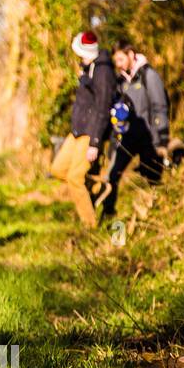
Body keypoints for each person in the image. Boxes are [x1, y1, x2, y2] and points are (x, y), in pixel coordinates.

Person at [50, 30, 116, 226]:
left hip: (91, 132)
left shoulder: (103, 72)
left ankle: (90, 225)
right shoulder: (89, 68)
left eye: (79, 53)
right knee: (57, 169)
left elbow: (103, 108)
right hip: (77, 131)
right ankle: (97, 187)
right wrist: (85, 78)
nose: (78, 57)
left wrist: (95, 143)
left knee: (74, 178)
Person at [98, 40, 170, 218]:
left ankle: (158, 213)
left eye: (121, 59)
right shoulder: (120, 82)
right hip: (127, 138)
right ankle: (108, 215)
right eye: (116, 61)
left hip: (149, 139)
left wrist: (161, 139)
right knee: (111, 175)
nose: (119, 65)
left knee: (152, 178)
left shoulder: (149, 75)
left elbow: (160, 106)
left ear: (131, 54)